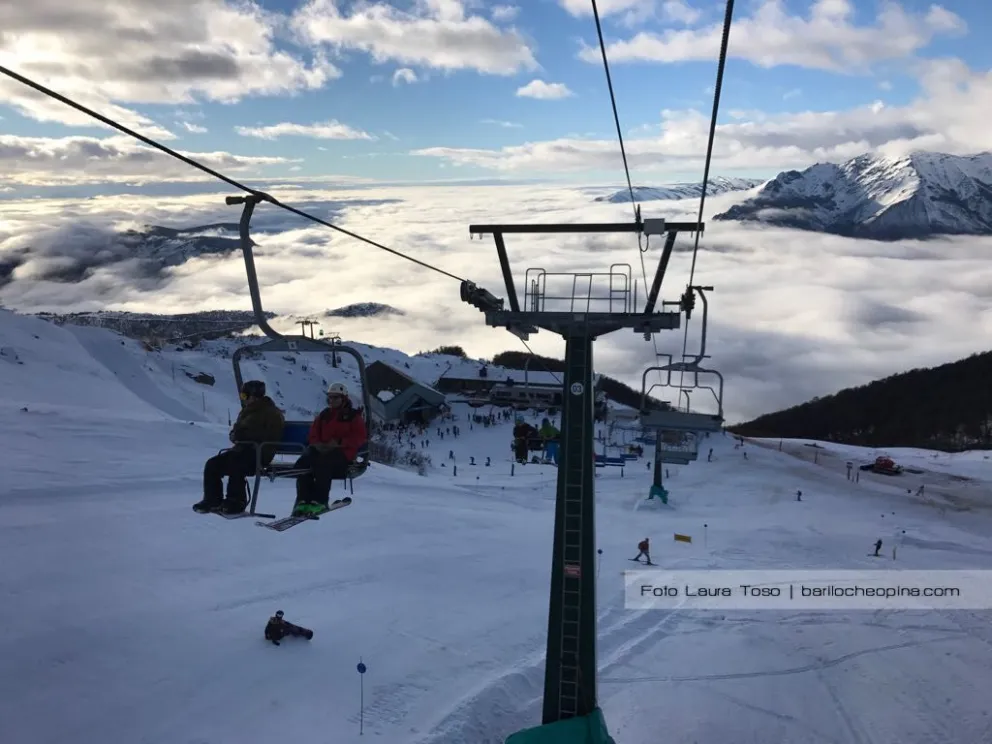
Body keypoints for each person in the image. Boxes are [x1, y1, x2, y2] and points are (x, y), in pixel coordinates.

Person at [194, 380, 284, 514]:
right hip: (241, 450)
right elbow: (238, 429)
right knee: (212, 464)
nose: (243, 400)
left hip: (258, 453)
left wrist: (242, 435)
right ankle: (212, 499)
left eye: (244, 396)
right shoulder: (247, 411)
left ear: (254, 396)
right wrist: (235, 435)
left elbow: (269, 434)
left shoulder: (271, 413)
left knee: (236, 464)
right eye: (242, 396)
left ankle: (236, 501)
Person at [292, 382, 368, 516]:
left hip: (343, 454)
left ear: (343, 399)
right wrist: (317, 444)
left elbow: (359, 438)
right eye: (330, 398)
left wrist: (339, 442)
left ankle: (320, 501)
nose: (332, 401)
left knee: (323, 463)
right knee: (304, 463)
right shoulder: (324, 415)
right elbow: (313, 434)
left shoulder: (353, 417)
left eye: (335, 398)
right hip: (323, 449)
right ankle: (303, 501)